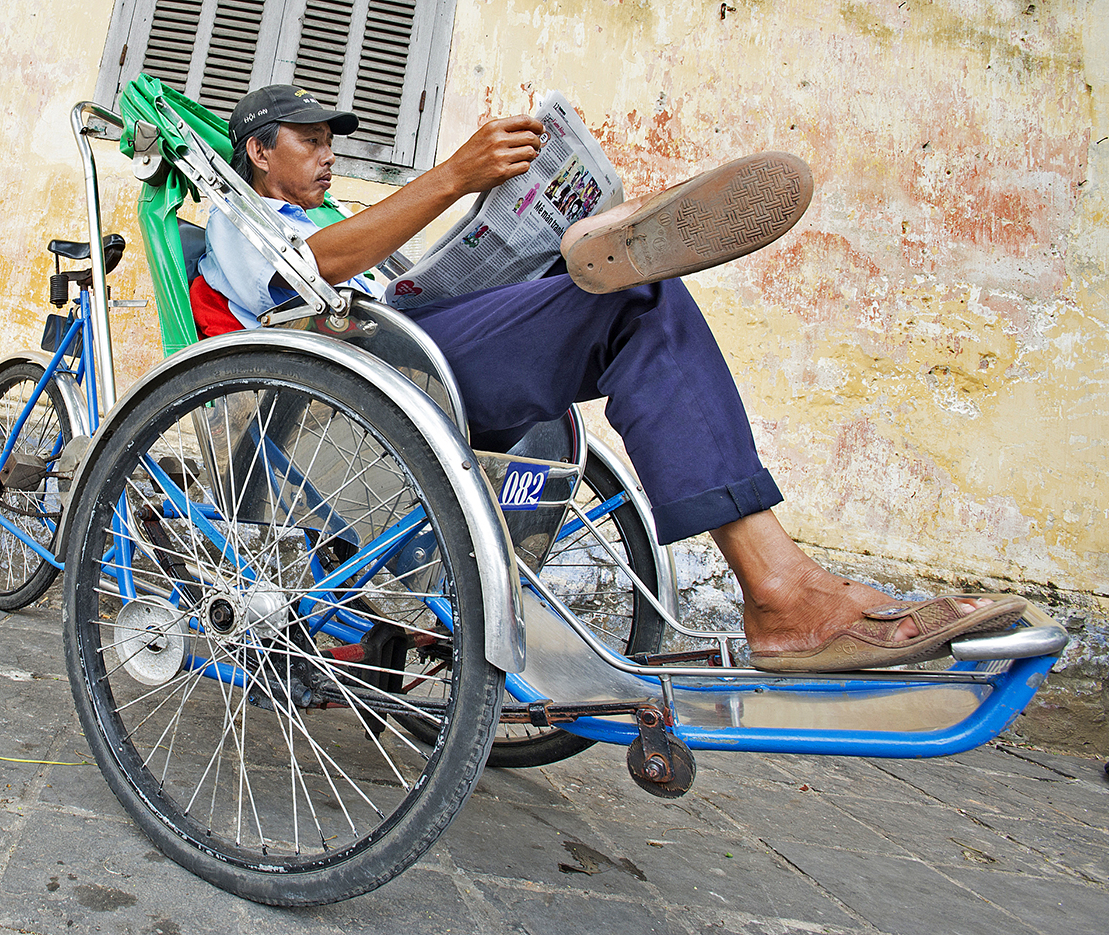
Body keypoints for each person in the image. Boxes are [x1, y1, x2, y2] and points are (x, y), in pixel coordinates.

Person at [194, 85, 1026, 672]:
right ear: (260, 151)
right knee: (630, 294)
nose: (328, 154)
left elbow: (384, 274)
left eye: (333, 140)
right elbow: (294, 278)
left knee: (632, 294)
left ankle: (596, 245)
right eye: (310, 140)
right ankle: (782, 590)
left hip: (412, 351)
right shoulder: (239, 215)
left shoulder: (340, 220)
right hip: (357, 379)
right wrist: (452, 177)